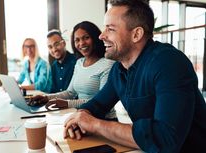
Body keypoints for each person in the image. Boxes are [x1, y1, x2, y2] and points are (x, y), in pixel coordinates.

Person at [63, 1, 206, 153]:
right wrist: (80, 117)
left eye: (110, 29)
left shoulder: (169, 62)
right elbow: (97, 105)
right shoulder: (119, 69)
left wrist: (95, 125)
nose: (101, 36)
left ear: (136, 34)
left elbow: (165, 139)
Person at [29, 21, 117, 120]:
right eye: (77, 40)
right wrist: (46, 97)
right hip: (83, 118)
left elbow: (101, 101)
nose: (81, 43)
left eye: (86, 38)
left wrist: (67, 104)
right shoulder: (79, 63)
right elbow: (70, 92)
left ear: (95, 38)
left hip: (104, 121)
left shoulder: (108, 64)